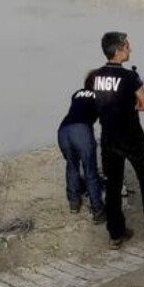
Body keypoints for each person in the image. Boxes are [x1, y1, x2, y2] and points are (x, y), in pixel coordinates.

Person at [89, 32, 144, 250]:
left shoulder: (95, 77)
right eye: (127, 46)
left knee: (113, 186)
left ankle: (115, 234)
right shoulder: (129, 77)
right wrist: (131, 106)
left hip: (108, 137)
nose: (130, 49)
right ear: (118, 50)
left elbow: (95, 104)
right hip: (132, 137)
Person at [56, 73, 105, 224]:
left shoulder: (76, 94)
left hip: (63, 130)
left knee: (72, 166)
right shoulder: (100, 96)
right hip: (81, 131)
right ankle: (98, 210)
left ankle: (74, 203)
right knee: (90, 171)